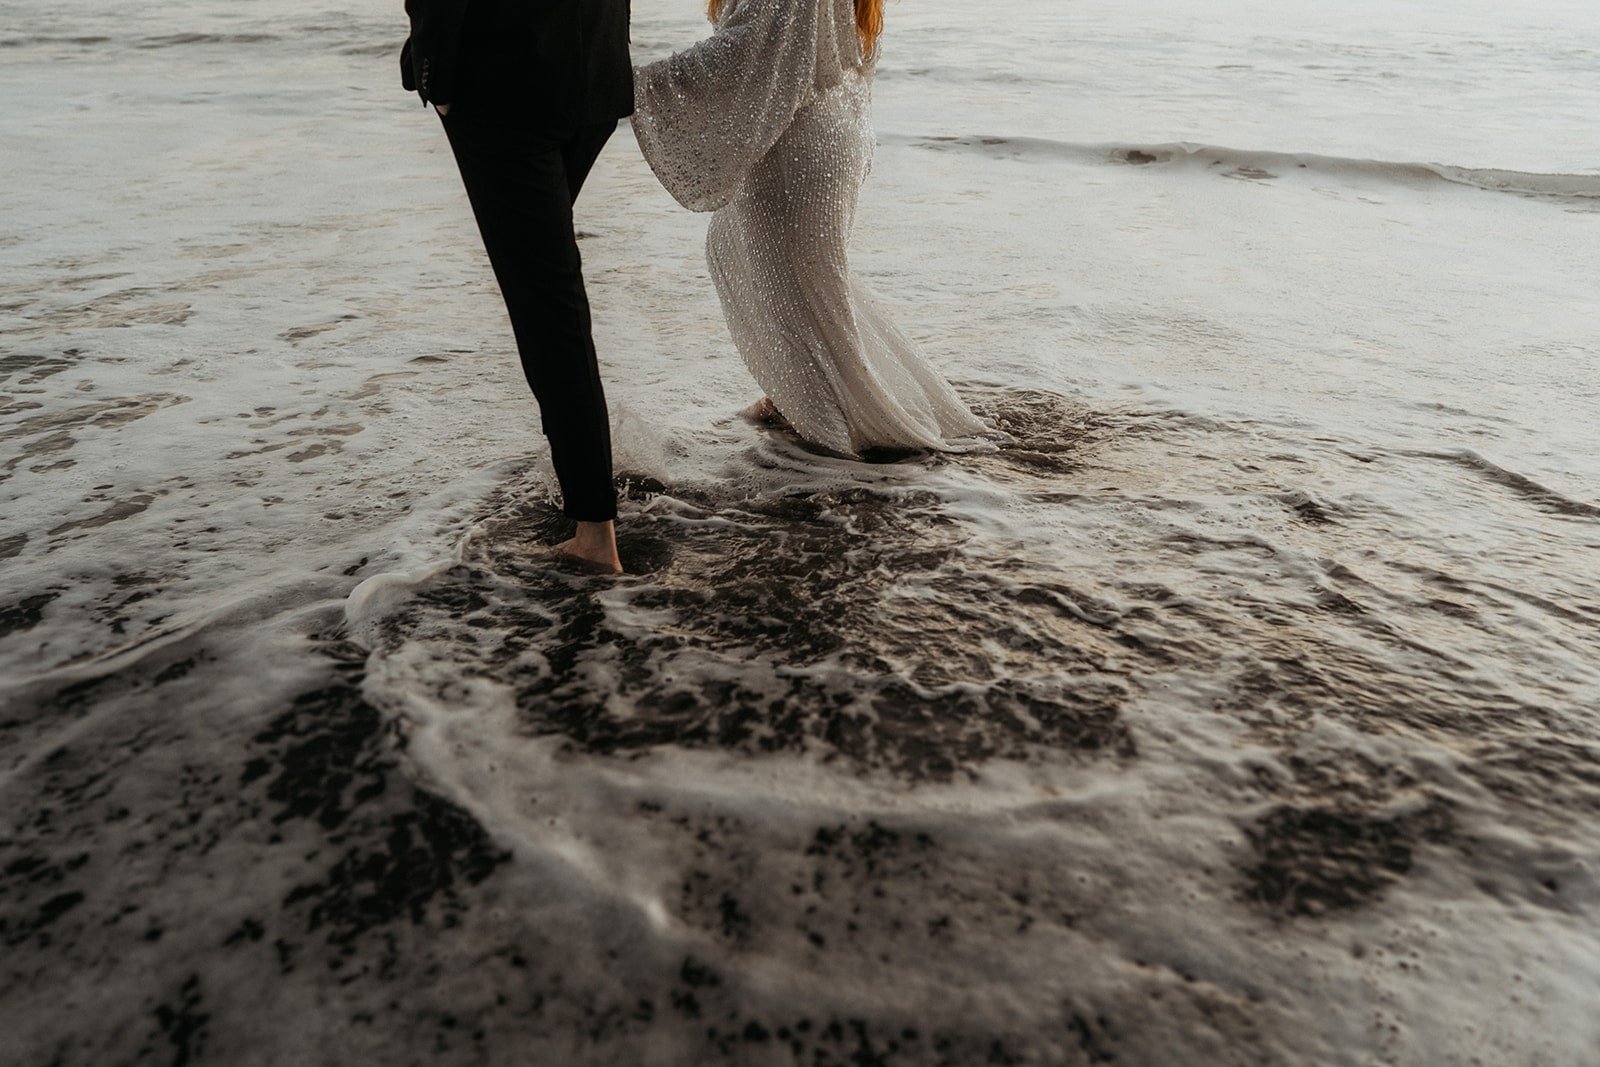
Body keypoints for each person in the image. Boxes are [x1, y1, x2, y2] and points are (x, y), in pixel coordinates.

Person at [632, 0, 998, 457]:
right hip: (827, 124)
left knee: (794, 293)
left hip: (799, 140)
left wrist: (631, 83)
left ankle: (830, 441)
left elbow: (745, 50)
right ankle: (799, 403)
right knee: (772, 271)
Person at [400, 0, 633, 574]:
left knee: (545, 299)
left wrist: (439, 78)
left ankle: (594, 533)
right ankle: (588, 503)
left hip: (501, 86)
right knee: (547, 285)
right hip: (590, 75)